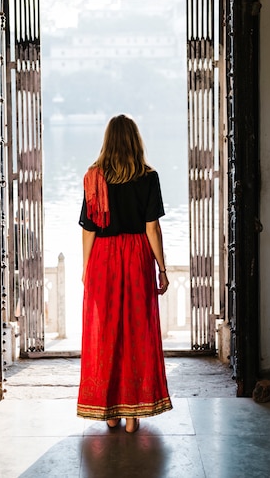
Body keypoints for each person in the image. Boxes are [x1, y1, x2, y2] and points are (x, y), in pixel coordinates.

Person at [77, 114, 173, 433]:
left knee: (106, 333)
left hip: (103, 257)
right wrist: (162, 267)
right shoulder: (148, 176)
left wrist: (86, 267)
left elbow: (89, 229)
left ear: (107, 141)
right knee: (137, 332)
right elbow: (152, 228)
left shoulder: (94, 177)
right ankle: (134, 414)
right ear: (135, 141)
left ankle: (110, 411)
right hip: (136, 258)